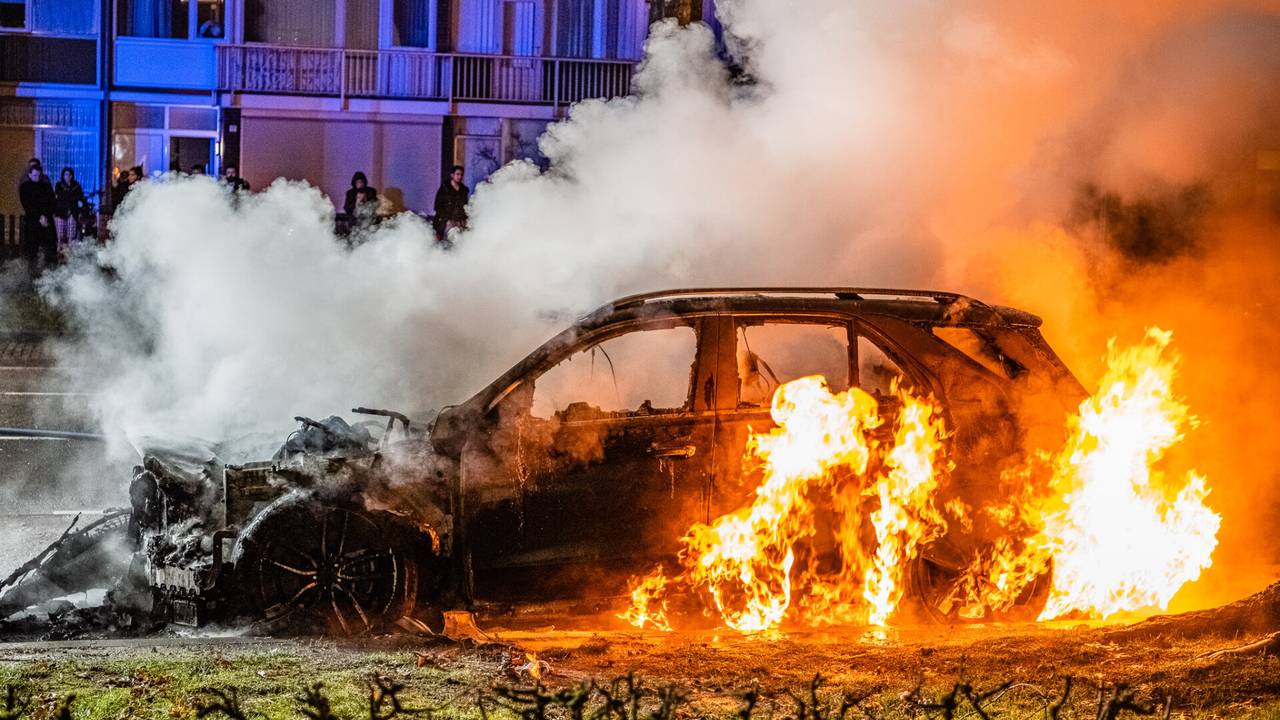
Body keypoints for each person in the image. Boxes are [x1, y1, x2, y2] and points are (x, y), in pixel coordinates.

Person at [19, 166, 57, 272]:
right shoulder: (25, 187)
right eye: (35, 175)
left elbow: (52, 202)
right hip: (32, 222)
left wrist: (45, 216)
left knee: (48, 248)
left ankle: (48, 271)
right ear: (30, 175)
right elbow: (27, 204)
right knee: (32, 250)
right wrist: (39, 217)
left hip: (46, 221)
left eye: (39, 175)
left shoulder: (46, 186)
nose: (37, 178)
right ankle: (31, 272)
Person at [53, 167, 87, 256]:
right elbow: (60, 197)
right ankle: (60, 255)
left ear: (72, 176)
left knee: (71, 236)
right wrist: (72, 198)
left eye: (69, 174)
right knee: (61, 236)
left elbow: (80, 198)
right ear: (63, 175)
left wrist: (79, 203)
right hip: (60, 212)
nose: (68, 176)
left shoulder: (76, 186)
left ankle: (69, 256)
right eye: (66, 174)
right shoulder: (59, 185)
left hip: (72, 212)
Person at [432, 165, 469, 241]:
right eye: (457, 174)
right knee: (451, 240)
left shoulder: (464, 190)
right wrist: (445, 219)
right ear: (452, 175)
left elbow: (465, 205)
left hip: (460, 221)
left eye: (461, 174)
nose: (460, 176)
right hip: (447, 221)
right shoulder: (444, 189)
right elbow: (438, 206)